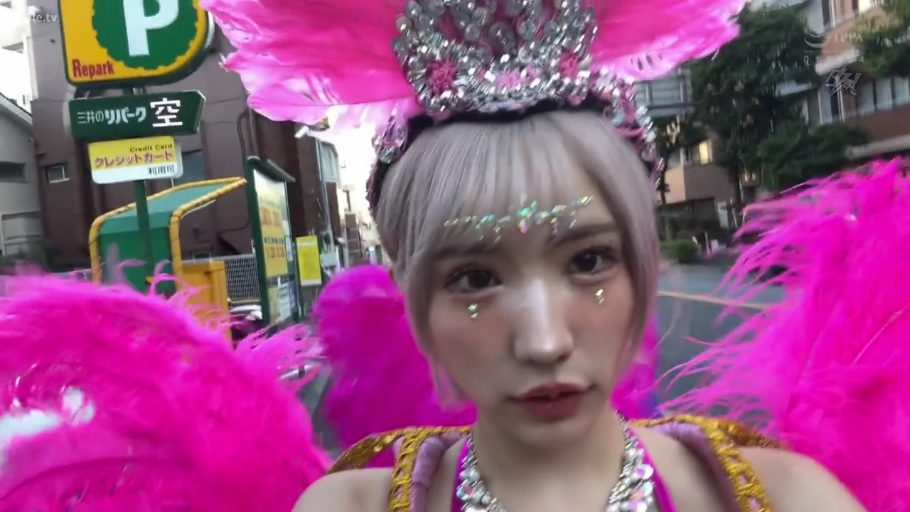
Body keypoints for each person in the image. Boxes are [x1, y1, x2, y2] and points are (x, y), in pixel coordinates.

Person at [197, 0, 885, 510]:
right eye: (475, 277)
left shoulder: (786, 498)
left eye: (588, 262)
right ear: (412, 292)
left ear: (641, 258)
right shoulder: (347, 507)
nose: (544, 340)